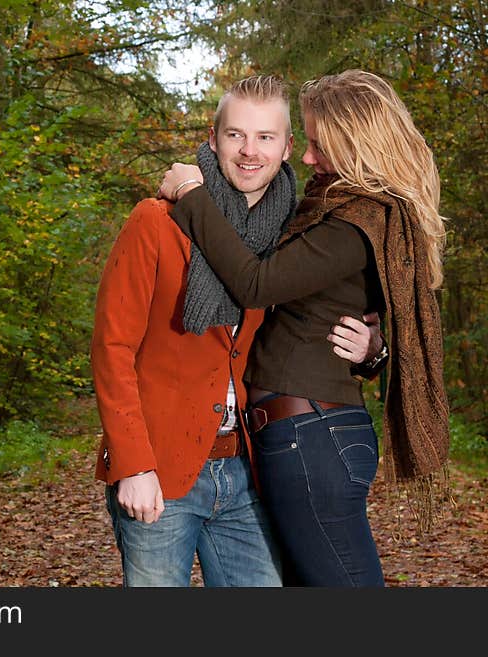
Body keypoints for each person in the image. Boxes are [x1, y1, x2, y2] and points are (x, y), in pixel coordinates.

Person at [157, 69, 450, 587]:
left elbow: (254, 282)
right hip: (304, 432)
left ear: (357, 143)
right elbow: (358, 311)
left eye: (320, 146)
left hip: (312, 437)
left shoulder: (352, 223)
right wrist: (372, 351)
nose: (308, 158)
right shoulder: (335, 211)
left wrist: (192, 195)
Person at [91, 74, 384, 587]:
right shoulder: (155, 222)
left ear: (288, 147)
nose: (250, 152)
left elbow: (315, 321)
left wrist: (372, 349)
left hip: (247, 470)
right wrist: (132, 464)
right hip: (161, 468)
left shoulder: (290, 235)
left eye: (266, 137)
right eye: (236, 135)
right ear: (213, 138)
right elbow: (112, 347)